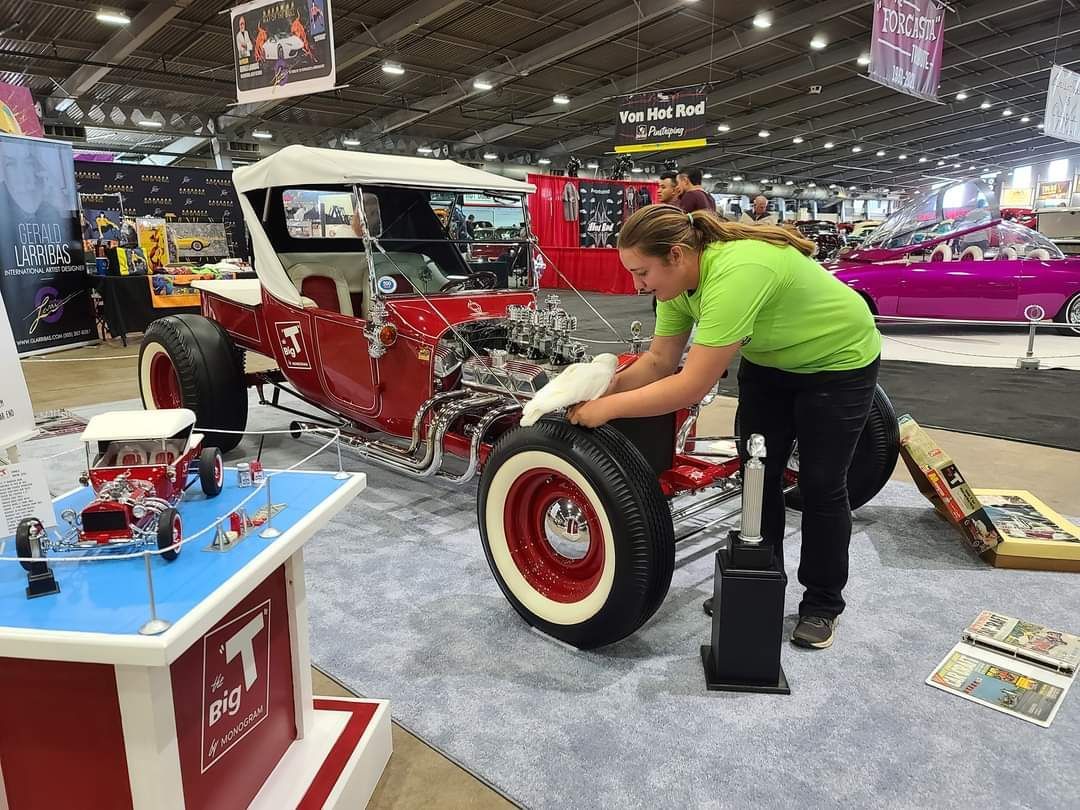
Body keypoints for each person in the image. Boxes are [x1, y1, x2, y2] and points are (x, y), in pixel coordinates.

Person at [567, 205, 882, 650]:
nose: (638, 286)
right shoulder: (676, 286)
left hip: (838, 363)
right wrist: (603, 391)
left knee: (822, 485)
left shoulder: (737, 271)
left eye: (642, 272)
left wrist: (607, 411)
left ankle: (822, 603)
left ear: (676, 255)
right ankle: (758, 583)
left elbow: (691, 386)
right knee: (757, 474)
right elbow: (658, 363)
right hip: (771, 364)